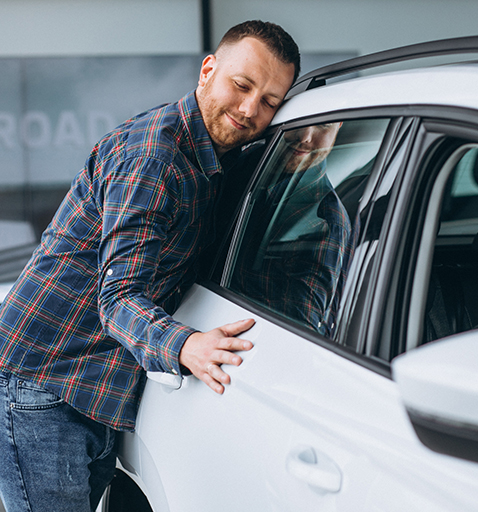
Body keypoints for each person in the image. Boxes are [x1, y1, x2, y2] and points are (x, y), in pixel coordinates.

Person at [0, 20, 299, 512]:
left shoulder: (222, 159)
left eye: (269, 101)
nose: (250, 110)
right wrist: (187, 343)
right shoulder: (154, 157)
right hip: (44, 383)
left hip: (92, 385)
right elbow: (116, 299)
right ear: (208, 71)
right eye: (241, 86)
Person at [230, 122, 354, 335]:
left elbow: (297, 333)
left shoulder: (325, 222)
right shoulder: (245, 160)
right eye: (302, 124)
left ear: (338, 127)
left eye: (323, 126)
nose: (305, 136)